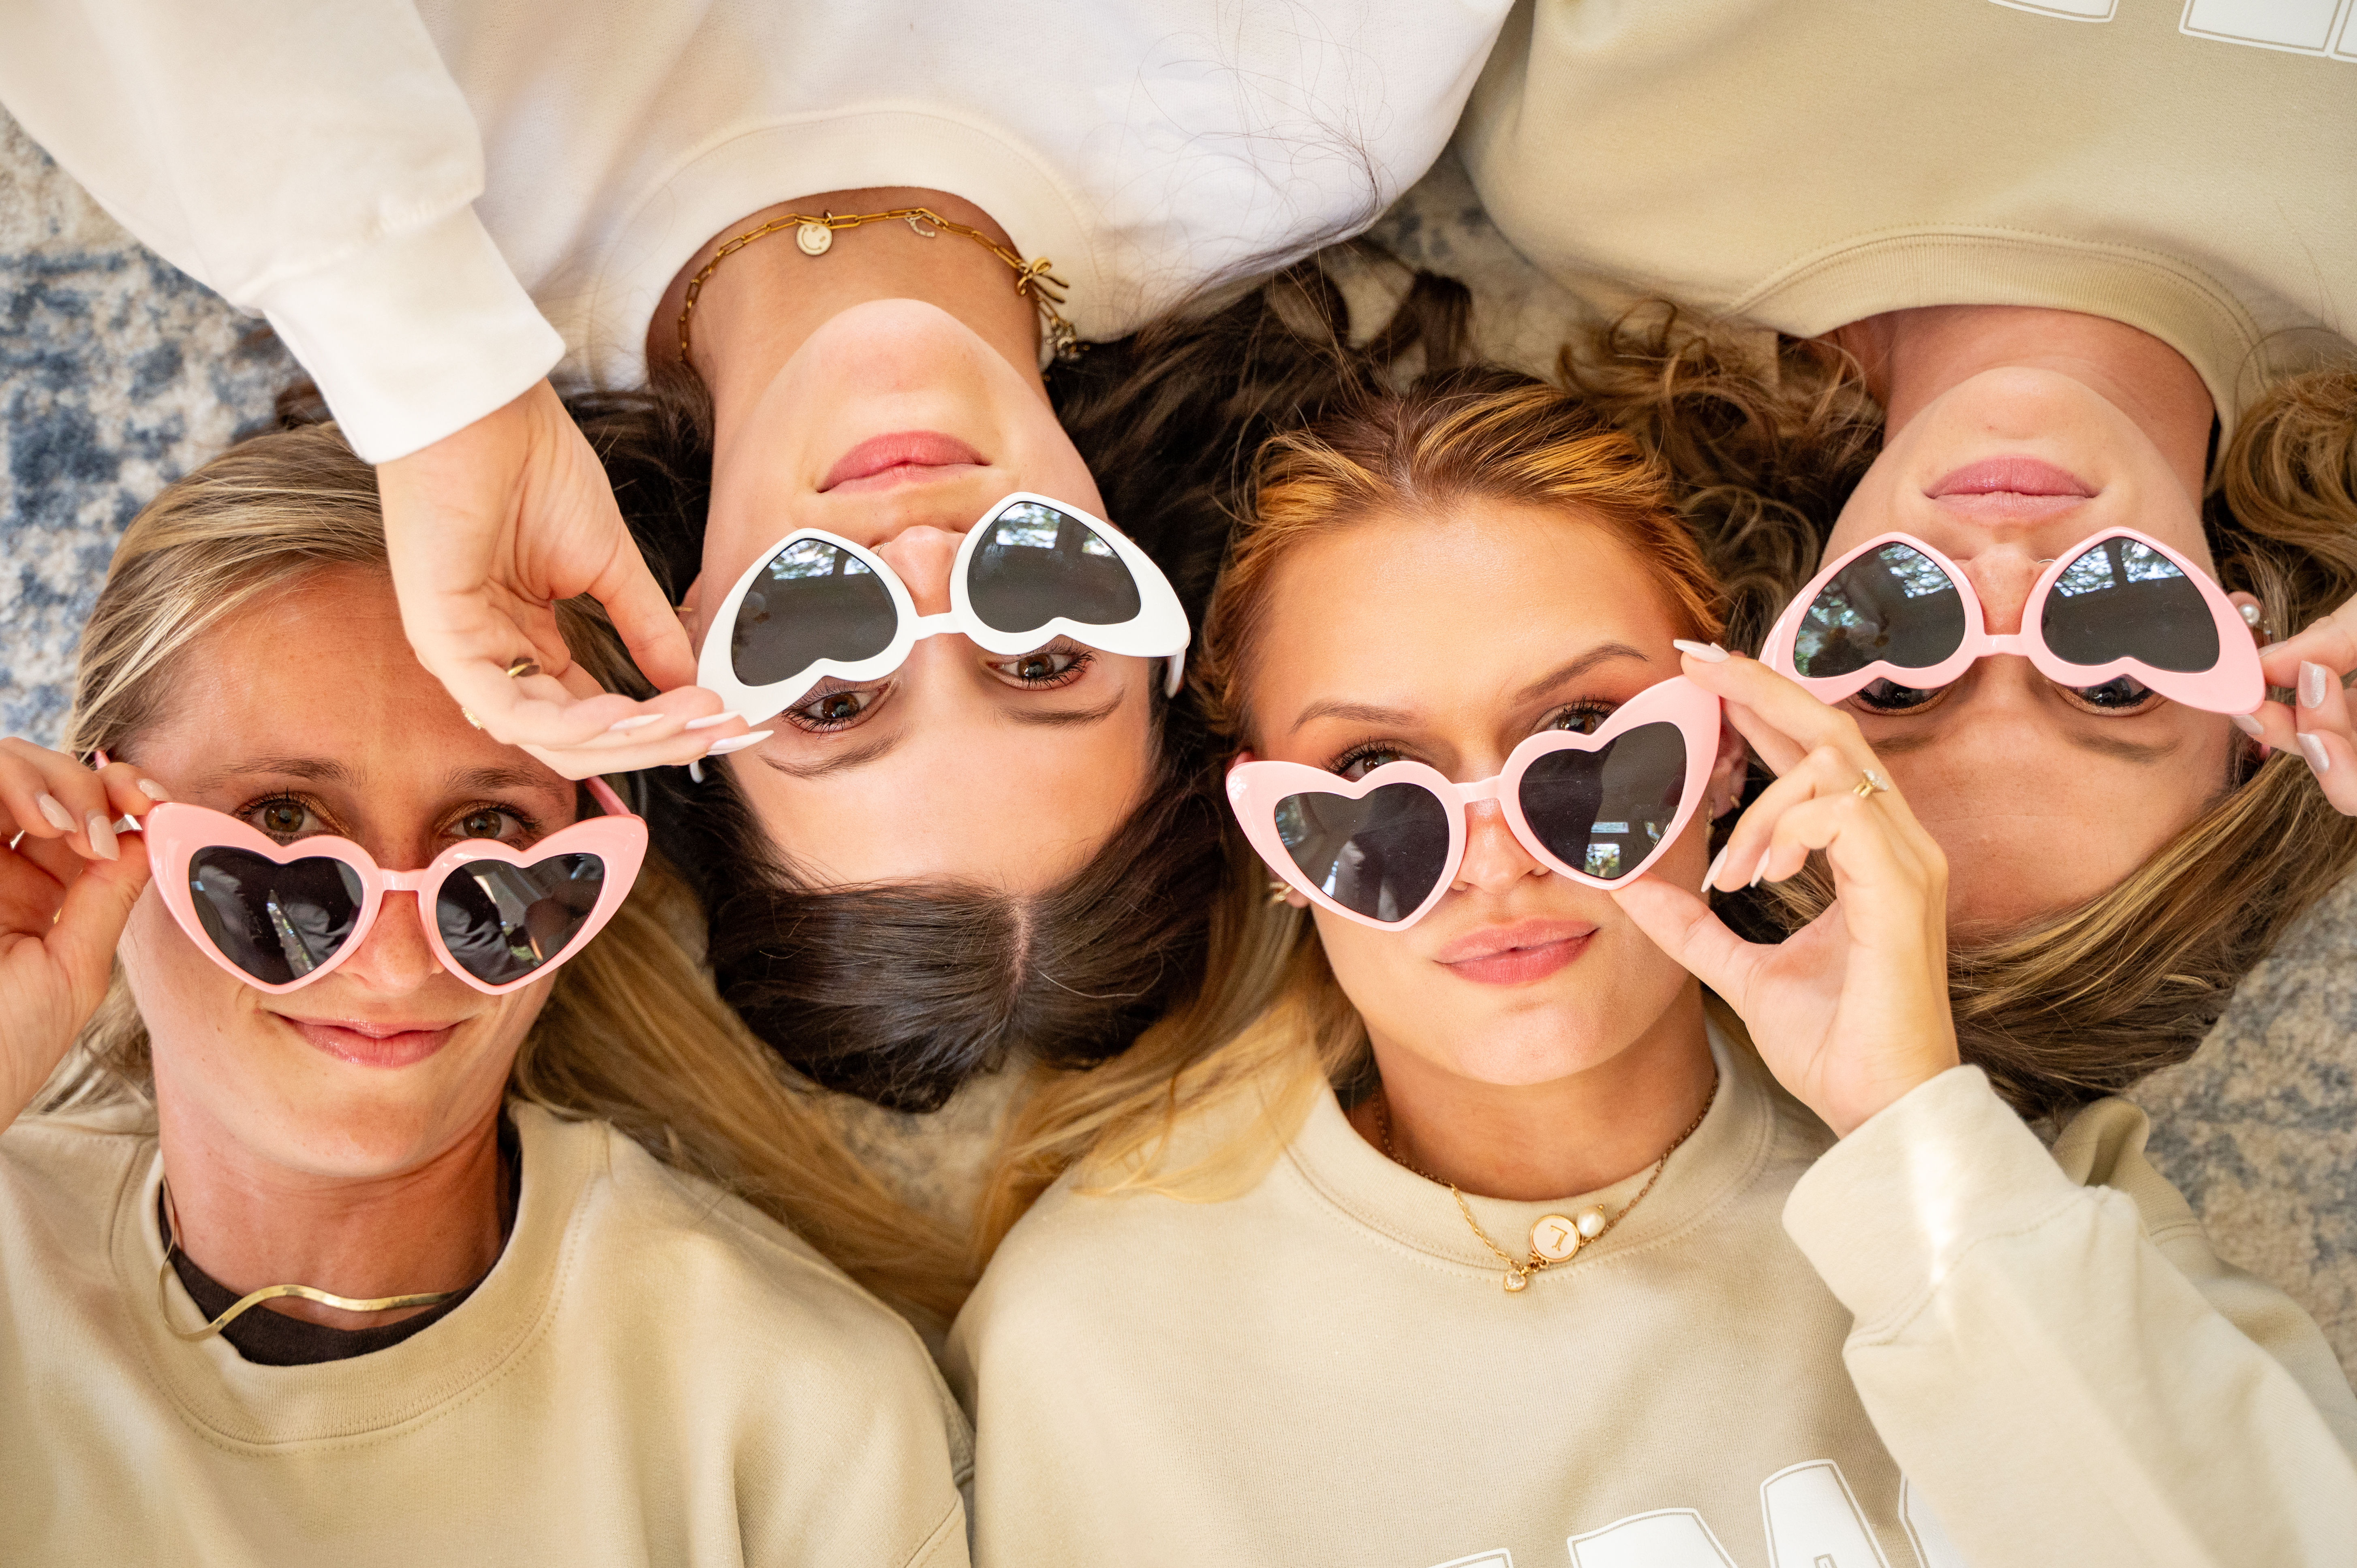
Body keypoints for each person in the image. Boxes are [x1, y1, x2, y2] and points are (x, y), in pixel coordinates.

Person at [0, 0, 1510, 1121]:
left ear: (682, 659)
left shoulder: (382, 254)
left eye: (831, 689)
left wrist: (432, 372)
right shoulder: (1305, 110)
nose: (924, 558)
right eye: (1043, 646)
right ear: (1161, 592)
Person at [948, 372, 2357, 1568]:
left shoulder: (2025, 1200)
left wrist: (1916, 1134)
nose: (1499, 863)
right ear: (1272, 841)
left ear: (1736, 743)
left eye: (1587, 739)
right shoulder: (1100, 1342)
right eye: (1374, 780)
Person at [0, 424, 970, 1562]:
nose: (401, 961)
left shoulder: (799, 1419)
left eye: (490, 833)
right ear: (108, 825)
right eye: (283, 825)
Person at [1450, 1, 2357, 1111]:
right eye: (2114, 683)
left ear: (1764, 667)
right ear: (2263, 706)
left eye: (1891, 673)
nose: (2007, 575)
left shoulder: (1604, 163)